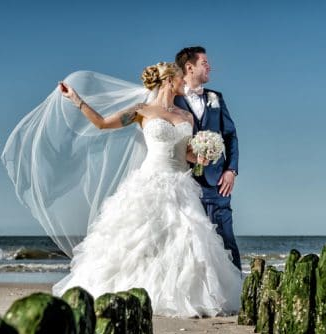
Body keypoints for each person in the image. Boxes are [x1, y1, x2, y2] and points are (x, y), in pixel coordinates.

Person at [49, 62, 242, 317]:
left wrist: (203, 156)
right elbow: (103, 124)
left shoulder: (186, 117)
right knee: (139, 241)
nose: (185, 82)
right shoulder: (141, 111)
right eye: (180, 79)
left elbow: (186, 153)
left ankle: (181, 296)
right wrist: (76, 100)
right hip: (149, 182)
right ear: (169, 81)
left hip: (181, 185)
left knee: (186, 240)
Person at [174, 46, 242, 270]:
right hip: (184, 182)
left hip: (217, 184)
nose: (209, 66)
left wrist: (231, 170)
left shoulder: (216, 98)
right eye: (204, 63)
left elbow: (231, 136)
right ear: (189, 67)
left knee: (226, 240)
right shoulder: (172, 99)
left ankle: (236, 295)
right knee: (189, 245)